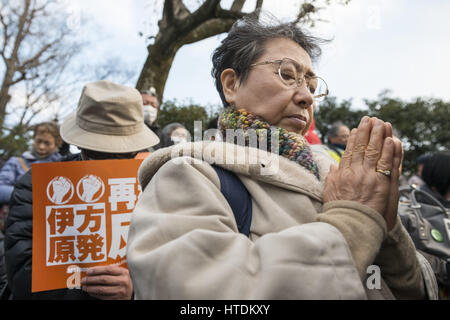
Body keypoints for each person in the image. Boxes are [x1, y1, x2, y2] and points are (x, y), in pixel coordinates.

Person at [126, 14, 436, 299]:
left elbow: (411, 289)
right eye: (287, 74)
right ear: (232, 85)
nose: (305, 97)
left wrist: (387, 229)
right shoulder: (190, 175)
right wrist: (353, 222)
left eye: (312, 86)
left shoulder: (339, 173)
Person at [4, 80, 159, 300]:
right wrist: (94, 290)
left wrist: (135, 291)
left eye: (123, 155)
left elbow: (173, 264)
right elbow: (23, 275)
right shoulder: (39, 186)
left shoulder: (154, 183)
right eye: (98, 153)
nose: (110, 163)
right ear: (81, 146)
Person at [0, 122, 62, 207]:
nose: (41, 147)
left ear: (56, 144)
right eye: (38, 141)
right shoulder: (16, 162)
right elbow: (1, 189)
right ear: (33, 139)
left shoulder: (62, 166)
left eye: (47, 143)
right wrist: (32, 196)